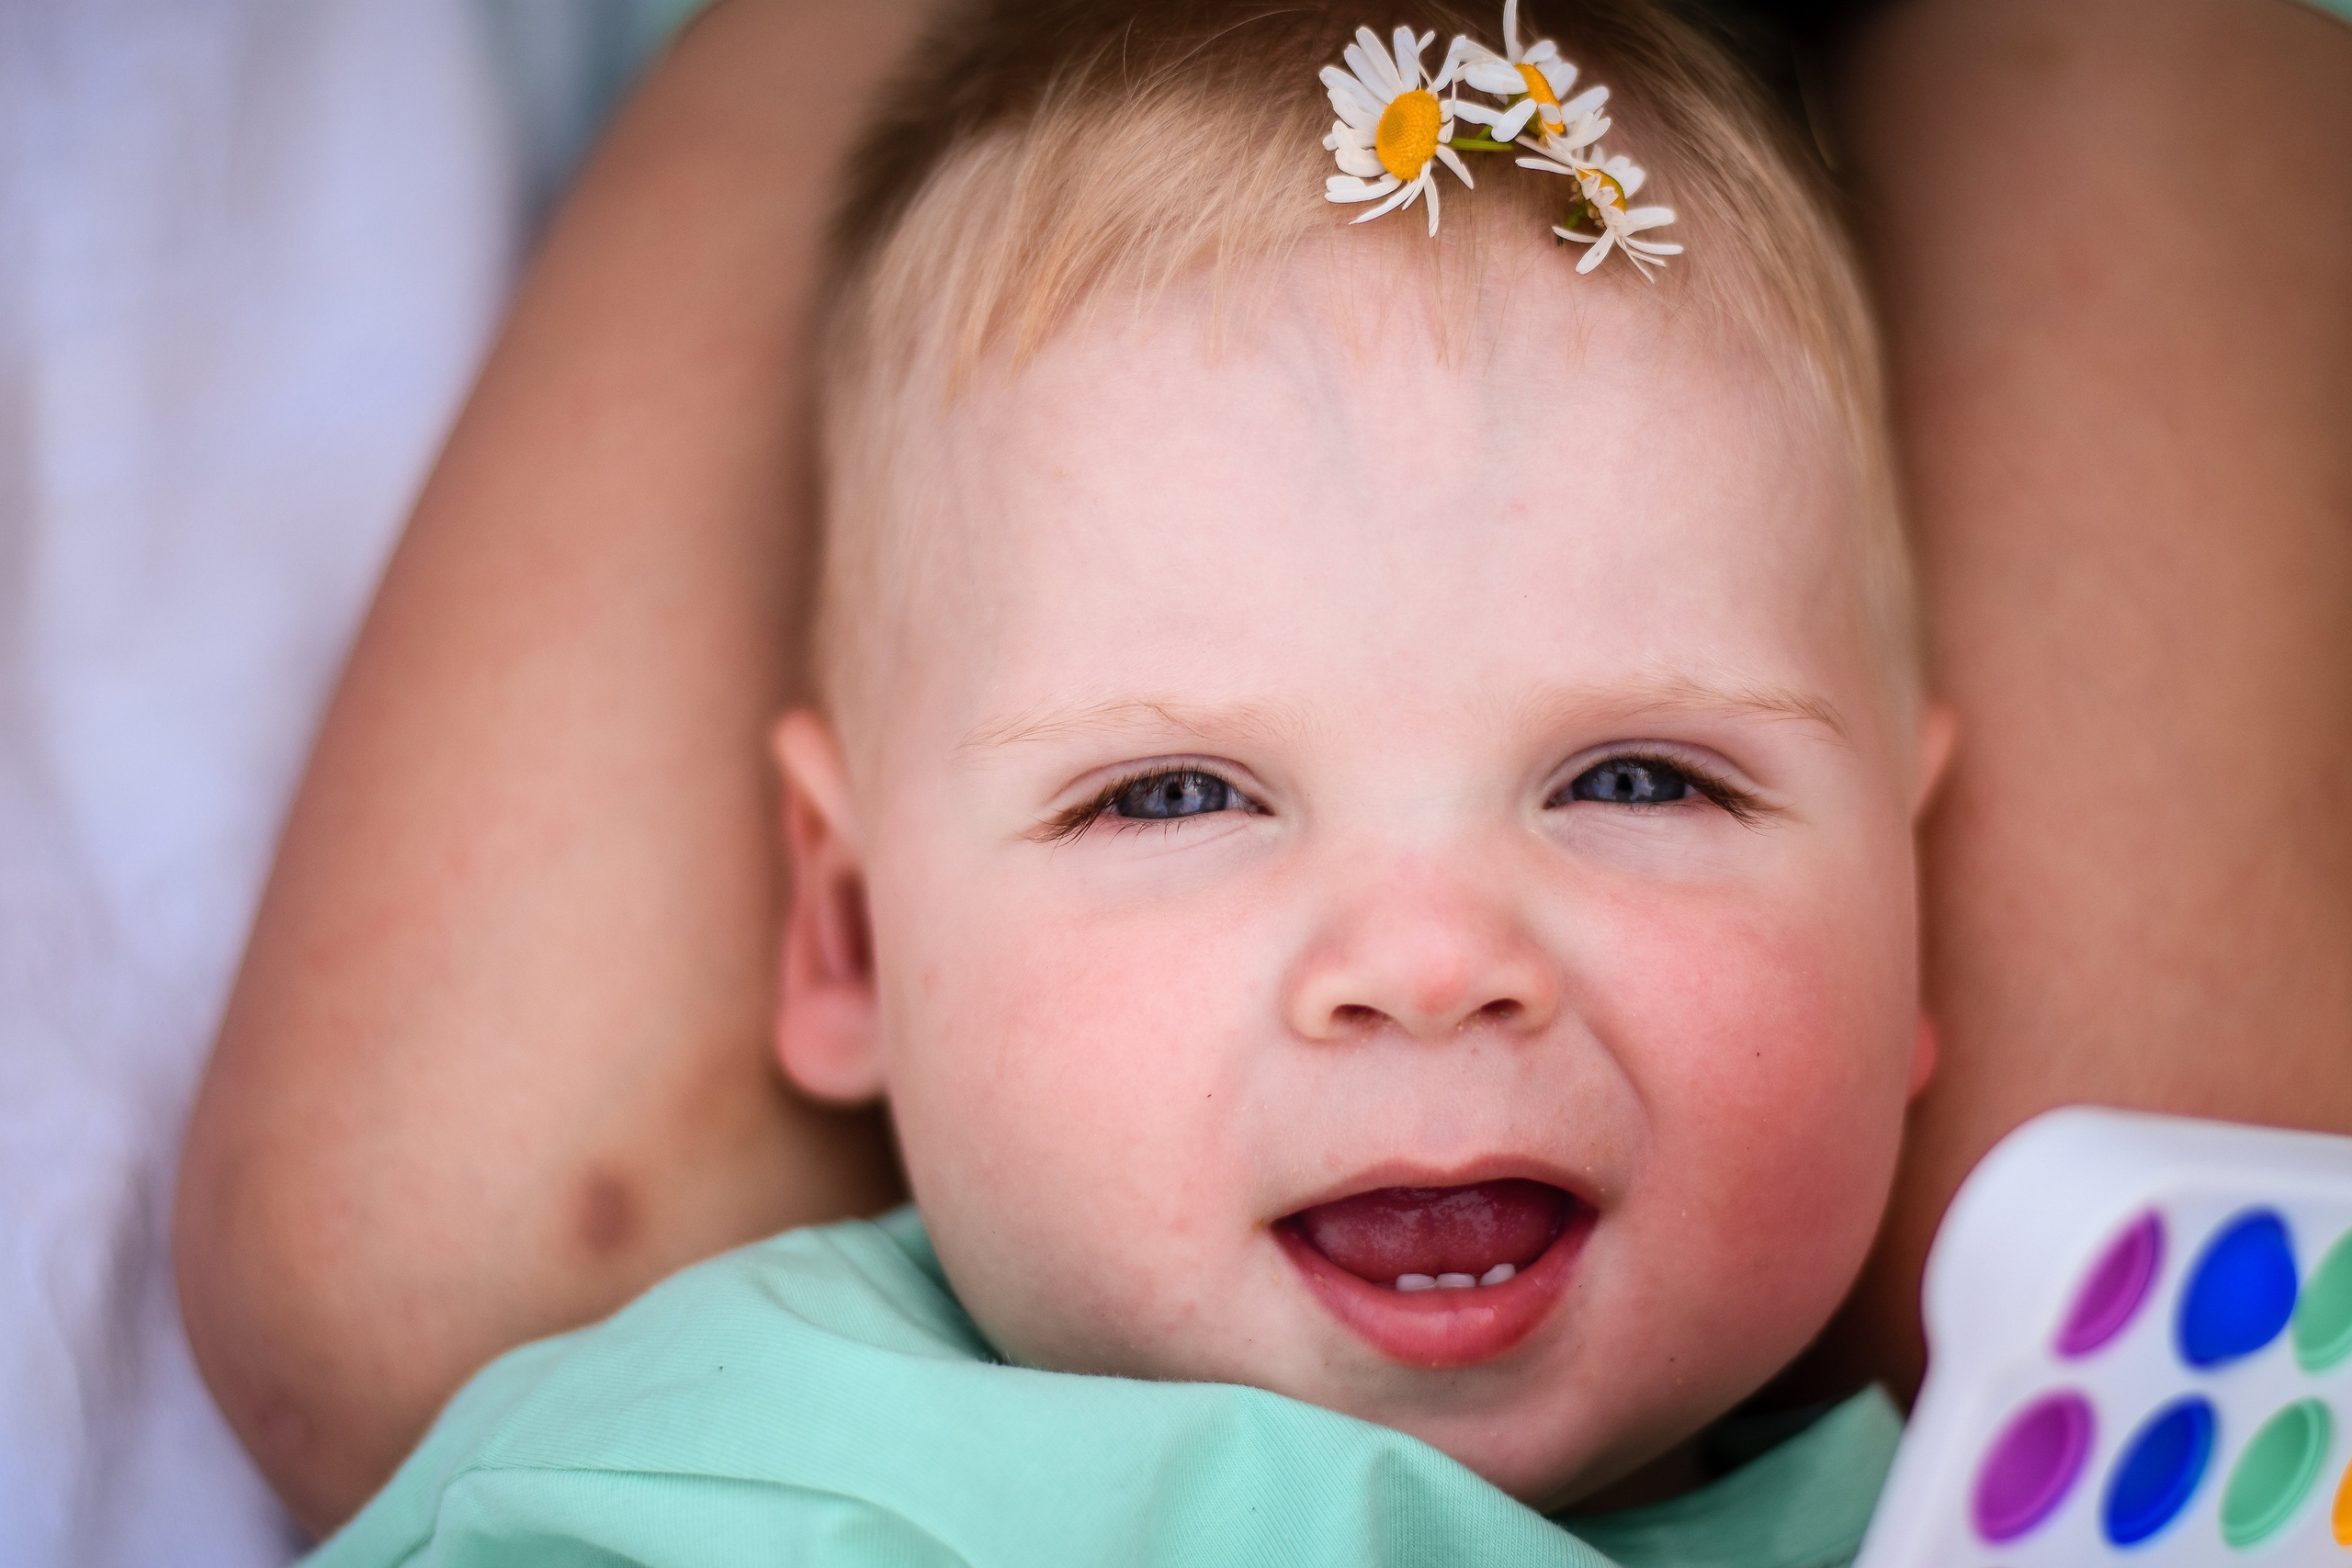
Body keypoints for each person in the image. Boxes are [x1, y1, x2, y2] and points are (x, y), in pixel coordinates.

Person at [174, 0, 2352, 1545]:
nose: (1428, 960)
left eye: (1636, 777)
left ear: (1907, 887)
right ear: (842, 924)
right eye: (1175, 793)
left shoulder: (2081, 1446)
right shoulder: (727, 1495)